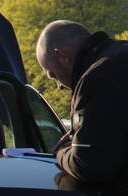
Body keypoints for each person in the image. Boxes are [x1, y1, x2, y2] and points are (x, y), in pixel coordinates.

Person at [35, 21, 128, 185]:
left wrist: (62, 150)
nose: (59, 86)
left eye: (53, 75)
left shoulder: (97, 79)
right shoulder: (120, 54)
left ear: (61, 56)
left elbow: (87, 163)